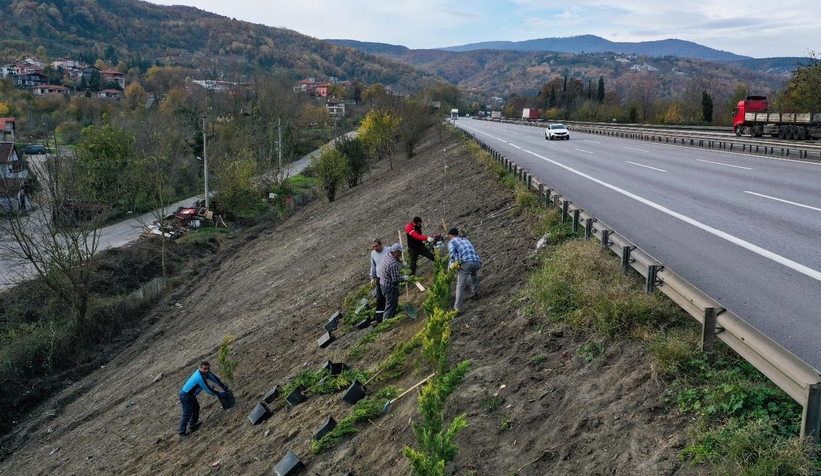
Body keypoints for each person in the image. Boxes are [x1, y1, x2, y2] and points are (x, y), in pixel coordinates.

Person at [178, 361, 228, 437]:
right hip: (186, 395)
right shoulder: (199, 377)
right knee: (187, 413)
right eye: (204, 369)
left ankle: (192, 426)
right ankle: (181, 432)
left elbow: (214, 378)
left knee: (196, 409)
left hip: (191, 395)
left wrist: (222, 385)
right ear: (200, 368)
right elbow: (208, 389)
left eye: (208, 368)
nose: (206, 370)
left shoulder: (205, 373)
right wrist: (219, 394)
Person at [447, 228, 483, 313]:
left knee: (460, 286)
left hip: (467, 264)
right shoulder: (466, 240)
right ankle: (475, 292)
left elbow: (452, 253)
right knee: (473, 274)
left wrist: (452, 264)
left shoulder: (452, 241)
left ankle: (458, 309)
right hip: (477, 262)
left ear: (450, 236)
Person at [379, 243, 409, 321]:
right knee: (390, 306)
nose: (401, 254)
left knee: (392, 303)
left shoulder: (388, 254)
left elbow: (396, 258)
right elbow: (395, 280)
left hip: (383, 284)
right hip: (389, 287)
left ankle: (391, 318)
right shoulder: (393, 264)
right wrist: (404, 278)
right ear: (395, 252)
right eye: (400, 252)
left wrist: (402, 261)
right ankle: (386, 323)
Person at [369, 238, 389, 323]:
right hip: (379, 277)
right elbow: (373, 266)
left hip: (388, 277)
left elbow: (397, 257)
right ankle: (379, 317)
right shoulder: (373, 254)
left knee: (388, 296)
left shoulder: (389, 250)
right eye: (373, 247)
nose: (375, 248)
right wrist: (372, 277)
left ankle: (390, 314)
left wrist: (402, 263)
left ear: (381, 244)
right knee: (379, 297)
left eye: (376, 246)